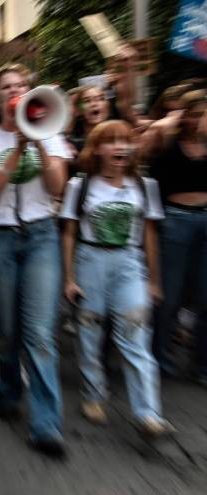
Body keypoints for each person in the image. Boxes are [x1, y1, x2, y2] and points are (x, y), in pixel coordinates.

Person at [0, 64, 71, 459]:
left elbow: (56, 186)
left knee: (40, 334)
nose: (15, 92)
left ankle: (47, 425)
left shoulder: (53, 134)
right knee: (7, 331)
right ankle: (8, 388)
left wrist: (39, 142)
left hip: (42, 235)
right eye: (7, 88)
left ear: (30, 94)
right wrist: (18, 151)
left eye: (22, 87)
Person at [61, 120, 174, 437]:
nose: (119, 147)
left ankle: (148, 413)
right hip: (90, 260)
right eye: (110, 141)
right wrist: (68, 277)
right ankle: (93, 395)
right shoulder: (79, 187)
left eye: (124, 140)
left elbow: (149, 233)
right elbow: (69, 232)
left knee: (135, 334)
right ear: (96, 149)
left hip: (129, 263)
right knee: (89, 332)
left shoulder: (144, 186)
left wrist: (153, 280)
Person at [147, 90, 207, 385]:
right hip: (176, 220)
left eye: (203, 114)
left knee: (205, 297)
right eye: (193, 114)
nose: (198, 121)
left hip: (205, 220)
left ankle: (202, 365)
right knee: (168, 296)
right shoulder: (168, 145)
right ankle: (160, 359)